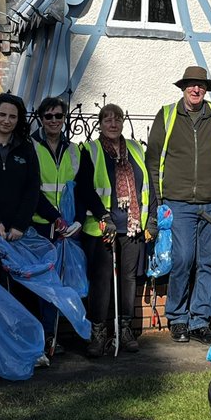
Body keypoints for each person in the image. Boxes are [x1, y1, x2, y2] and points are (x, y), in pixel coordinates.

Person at [146, 65, 211, 346]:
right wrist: (158, 204)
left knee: (210, 263)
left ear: (206, 89)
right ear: (183, 88)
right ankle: (177, 318)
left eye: (200, 85)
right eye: (190, 84)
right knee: (183, 259)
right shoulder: (167, 115)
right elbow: (154, 164)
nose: (196, 89)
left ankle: (200, 322)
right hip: (178, 204)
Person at [76, 104, 148, 356]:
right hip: (102, 225)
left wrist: (149, 223)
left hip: (131, 226)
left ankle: (125, 328)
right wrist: (102, 215)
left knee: (128, 278)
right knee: (101, 280)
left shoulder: (136, 149)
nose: (113, 123)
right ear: (100, 123)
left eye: (118, 119)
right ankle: (98, 333)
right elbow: (84, 188)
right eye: (107, 119)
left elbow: (147, 184)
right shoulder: (90, 150)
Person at [30, 95, 82, 238]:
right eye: (48, 116)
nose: (54, 120)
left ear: (64, 118)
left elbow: (81, 188)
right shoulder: (31, 146)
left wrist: (78, 220)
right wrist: (55, 217)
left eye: (58, 116)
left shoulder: (74, 149)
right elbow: (30, 189)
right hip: (39, 223)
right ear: (41, 119)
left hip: (68, 225)